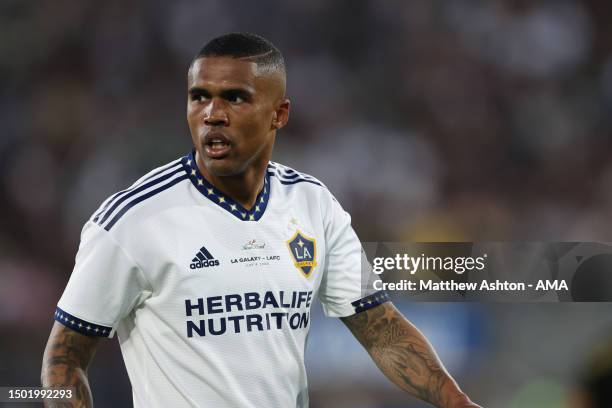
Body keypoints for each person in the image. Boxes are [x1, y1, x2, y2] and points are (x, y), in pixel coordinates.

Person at [41, 32, 481, 408]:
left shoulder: (313, 205)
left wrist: (457, 402)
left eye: (235, 97)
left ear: (279, 114)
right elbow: (64, 359)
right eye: (200, 97)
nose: (213, 113)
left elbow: (380, 331)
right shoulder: (133, 220)